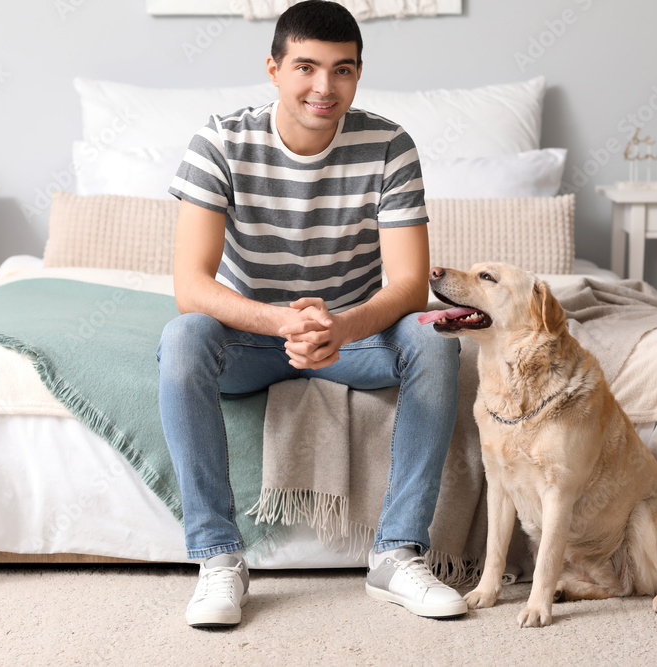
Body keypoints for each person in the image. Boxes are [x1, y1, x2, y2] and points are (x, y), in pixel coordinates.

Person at [157, 0, 466, 628]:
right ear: (273, 69)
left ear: (357, 73)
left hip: (352, 338)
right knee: (184, 335)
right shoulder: (220, 141)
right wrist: (281, 323)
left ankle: (397, 552)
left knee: (435, 337)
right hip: (252, 337)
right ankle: (219, 559)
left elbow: (409, 285)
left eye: (342, 70)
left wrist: (341, 327)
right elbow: (191, 285)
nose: (324, 87)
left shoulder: (390, 145)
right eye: (306, 67)